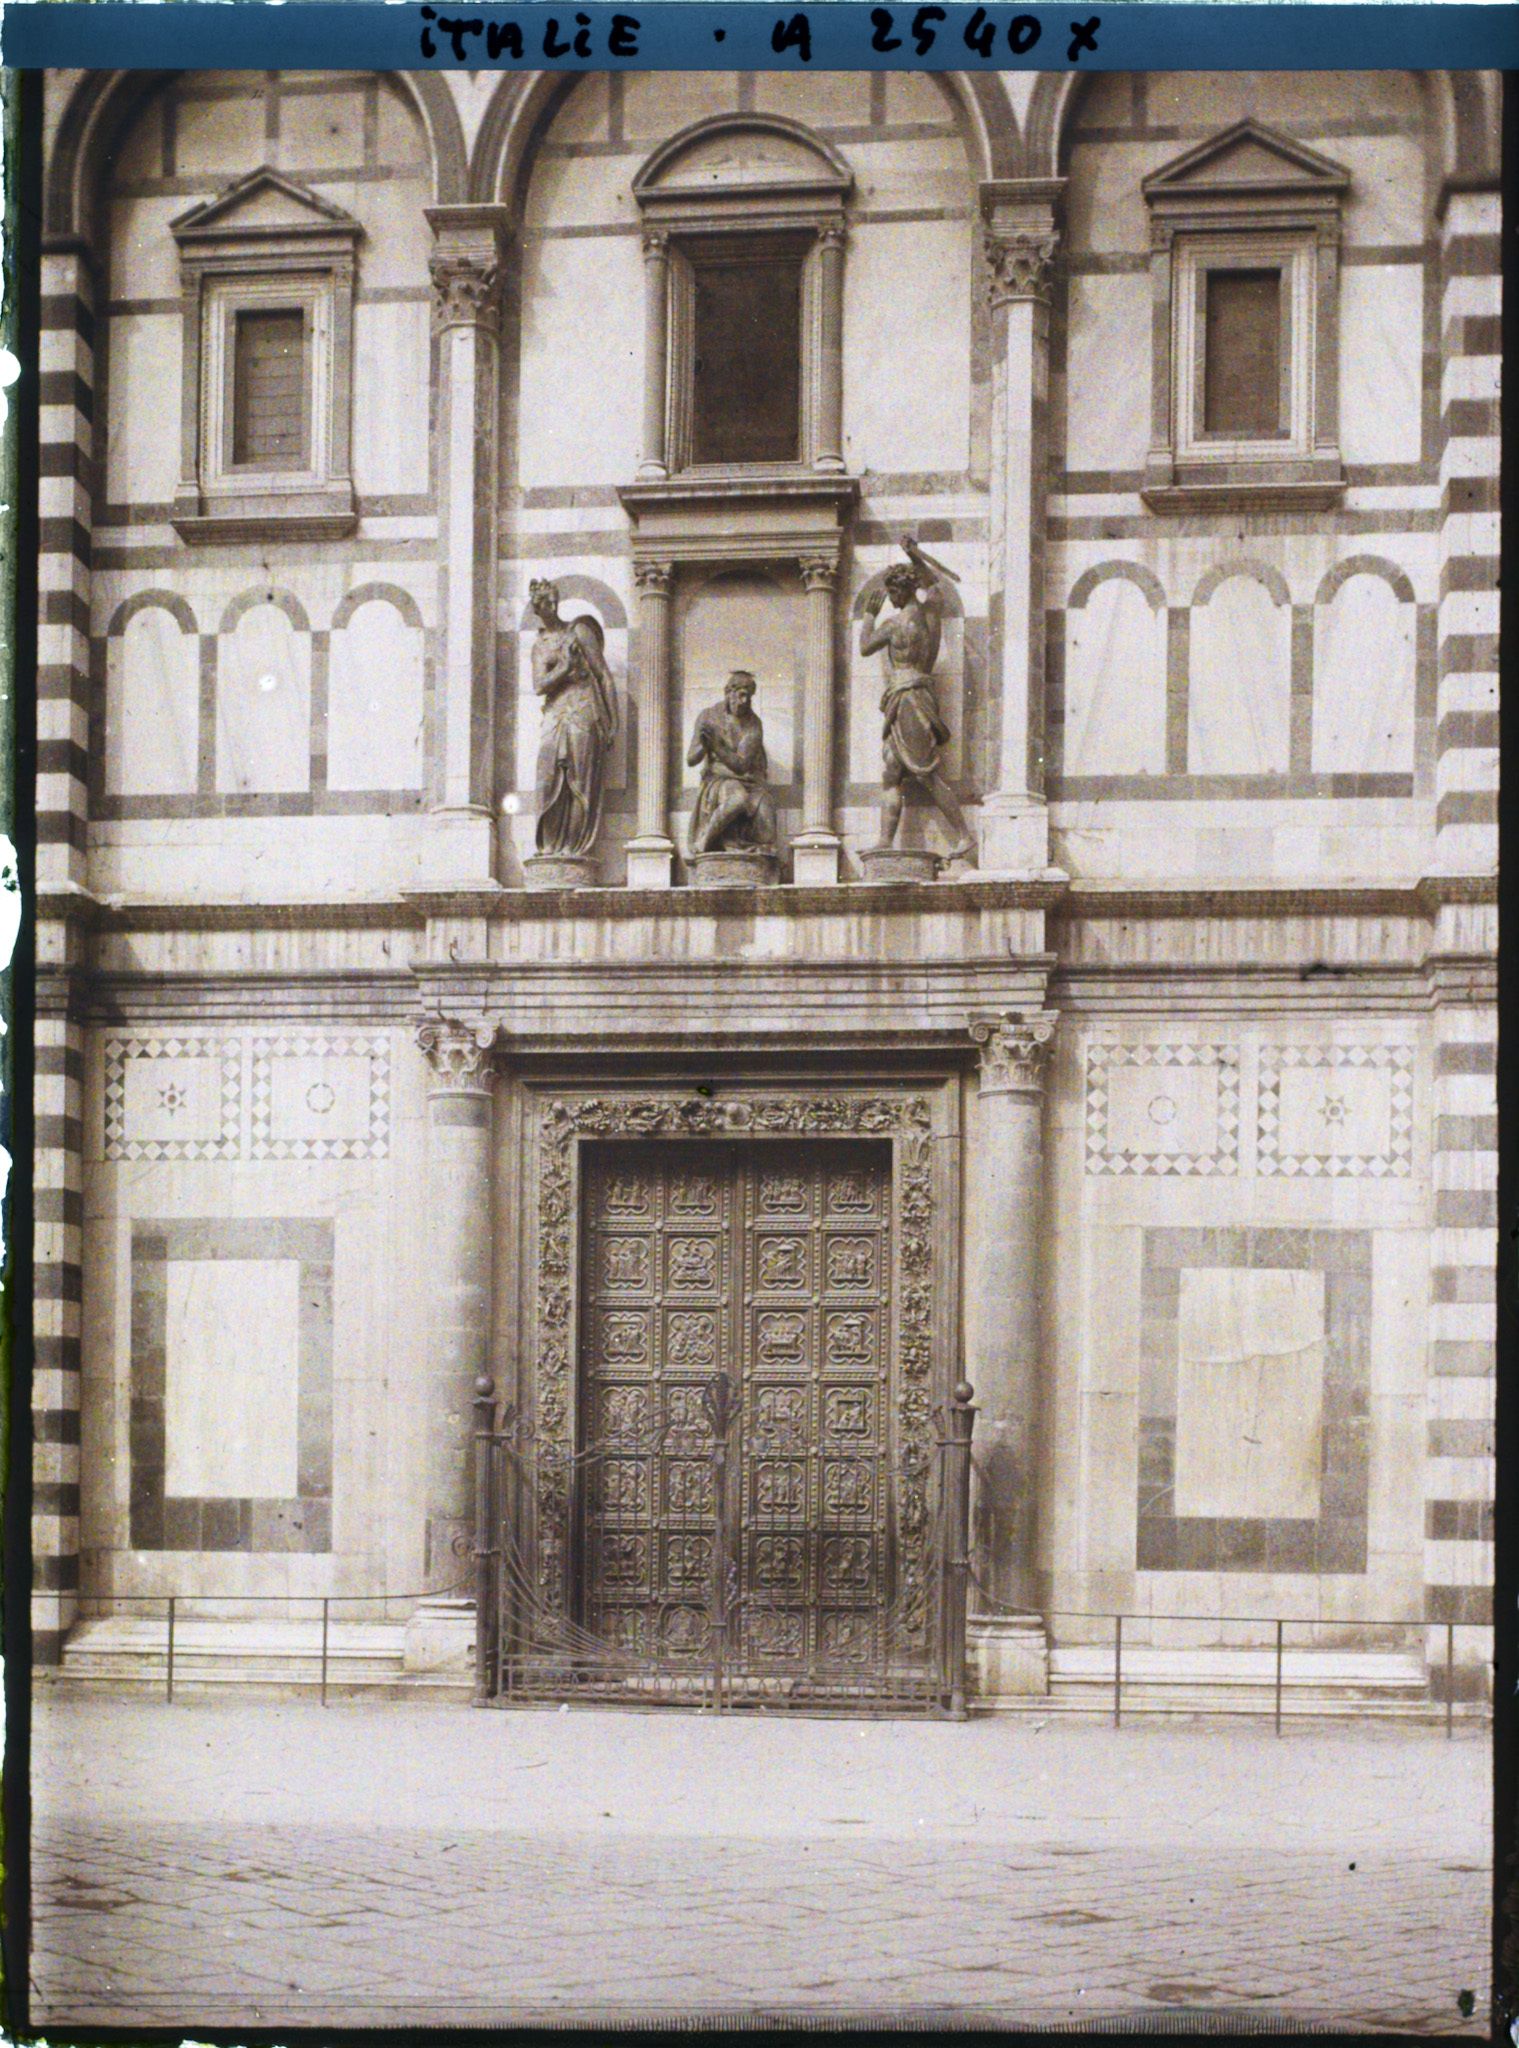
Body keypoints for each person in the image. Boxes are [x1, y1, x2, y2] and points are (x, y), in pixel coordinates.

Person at [860, 538, 974, 862]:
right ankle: (885, 839)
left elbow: (865, 645)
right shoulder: (930, 614)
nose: (890, 600)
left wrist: (869, 614)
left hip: (908, 699)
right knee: (892, 771)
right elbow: (935, 584)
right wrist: (914, 555)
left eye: (892, 593)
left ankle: (964, 834)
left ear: (900, 591)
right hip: (914, 696)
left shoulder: (893, 625)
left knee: (924, 773)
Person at [529, 579, 618, 858]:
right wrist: (566, 667)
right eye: (544, 603)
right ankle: (550, 846)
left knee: (580, 780)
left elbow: (603, 674)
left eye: (554, 600)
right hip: (556, 712)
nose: (551, 606)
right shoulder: (540, 646)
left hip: (584, 709)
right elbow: (540, 685)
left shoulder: (578, 631)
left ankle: (573, 849)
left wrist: (613, 720)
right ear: (537, 608)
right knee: (548, 778)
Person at [687, 670, 777, 855]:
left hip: (749, 781)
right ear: (729, 692)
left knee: (767, 831)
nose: (744, 701)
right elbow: (691, 759)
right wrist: (704, 746)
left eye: (749, 696)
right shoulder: (708, 716)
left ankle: (741, 848)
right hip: (719, 780)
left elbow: (741, 765)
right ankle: (704, 840)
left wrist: (717, 746)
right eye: (741, 694)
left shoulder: (753, 723)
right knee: (738, 800)